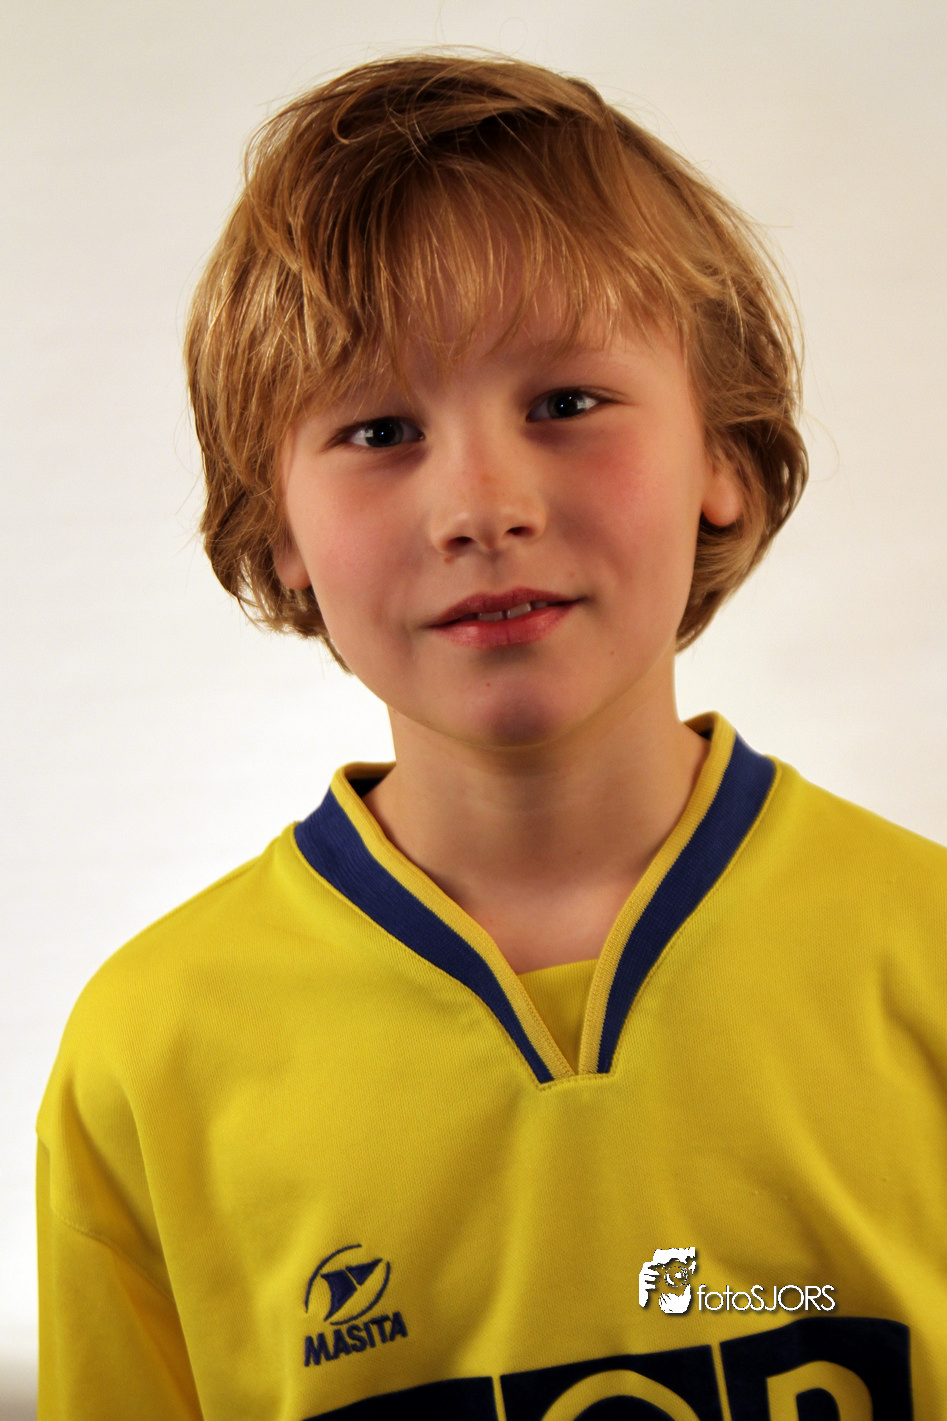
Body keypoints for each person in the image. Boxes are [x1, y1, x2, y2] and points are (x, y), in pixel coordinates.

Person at [37, 52, 946, 1420]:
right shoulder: (151, 1056)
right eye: (379, 429)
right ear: (278, 532)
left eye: (565, 404)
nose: (480, 506)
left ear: (722, 451)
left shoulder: (925, 958)